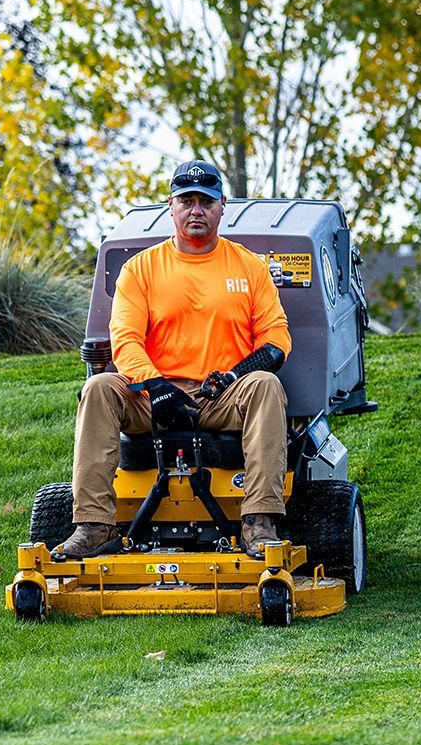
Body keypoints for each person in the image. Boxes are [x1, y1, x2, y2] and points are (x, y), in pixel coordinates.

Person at [52, 158, 292, 559]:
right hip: (154, 396)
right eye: (187, 201)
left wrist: (235, 374)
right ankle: (94, 525)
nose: (195, 210)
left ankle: (259, 521)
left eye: (205, 202)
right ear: (171, 206)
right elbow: (125, 340)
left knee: (266, 385)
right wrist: (154, 384)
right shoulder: (141, 269)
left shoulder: (250, 267)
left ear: (221, 207)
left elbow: (277, 339)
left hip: (222, 395)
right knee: (98, 387)